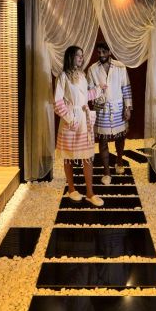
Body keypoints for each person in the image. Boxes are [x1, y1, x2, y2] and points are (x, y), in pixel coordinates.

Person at [54, 45, 106, 206]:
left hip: (83, 119)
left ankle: (90, 193)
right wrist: (70, 118)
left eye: (82, 56)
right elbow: (57, 102)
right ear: (71, 57)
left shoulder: (82, 75)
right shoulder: (63, 77)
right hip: (70, 120)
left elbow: (84, 97)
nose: (81, 58)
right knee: (68, 157)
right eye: (78, 55)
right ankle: (71, 189)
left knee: (87, 156)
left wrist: (98, 90)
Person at [87, 41, 132, 185]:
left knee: (120, 137)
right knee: (103, 140)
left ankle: (119, 161)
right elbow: (89, 90)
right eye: (99, 52)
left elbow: (126, 87)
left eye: (104, 52)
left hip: (118, 107)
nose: (101, 55)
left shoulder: (120, 67)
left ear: (109, 52)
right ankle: (106, 172)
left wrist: (127, 107)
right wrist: (97, 95)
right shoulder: (92, 69)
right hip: (101, 108)